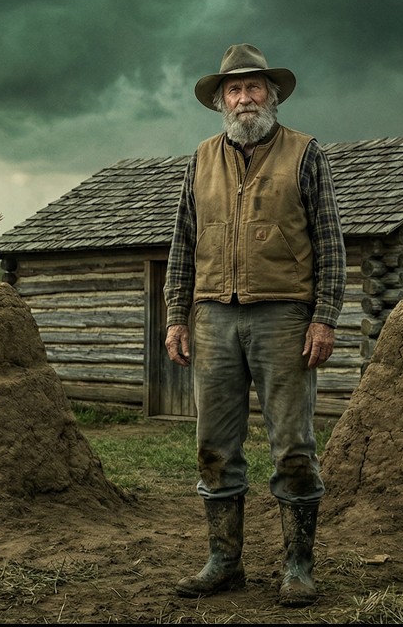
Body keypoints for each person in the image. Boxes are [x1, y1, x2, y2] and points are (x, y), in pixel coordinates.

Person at [163, 43, 346, 606]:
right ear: (221, 101)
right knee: (215, 447)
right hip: (214, 315)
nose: (245, 98)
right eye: (234, 90)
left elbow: (330, 242)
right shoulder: (200, 159)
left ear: (272, 94)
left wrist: (325, 317)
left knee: (293, 445)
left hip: (284, 316)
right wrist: (176, 315)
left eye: (254, 87)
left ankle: (298, 566)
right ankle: (223, 561)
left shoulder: (304, 153)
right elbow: (182, 243)